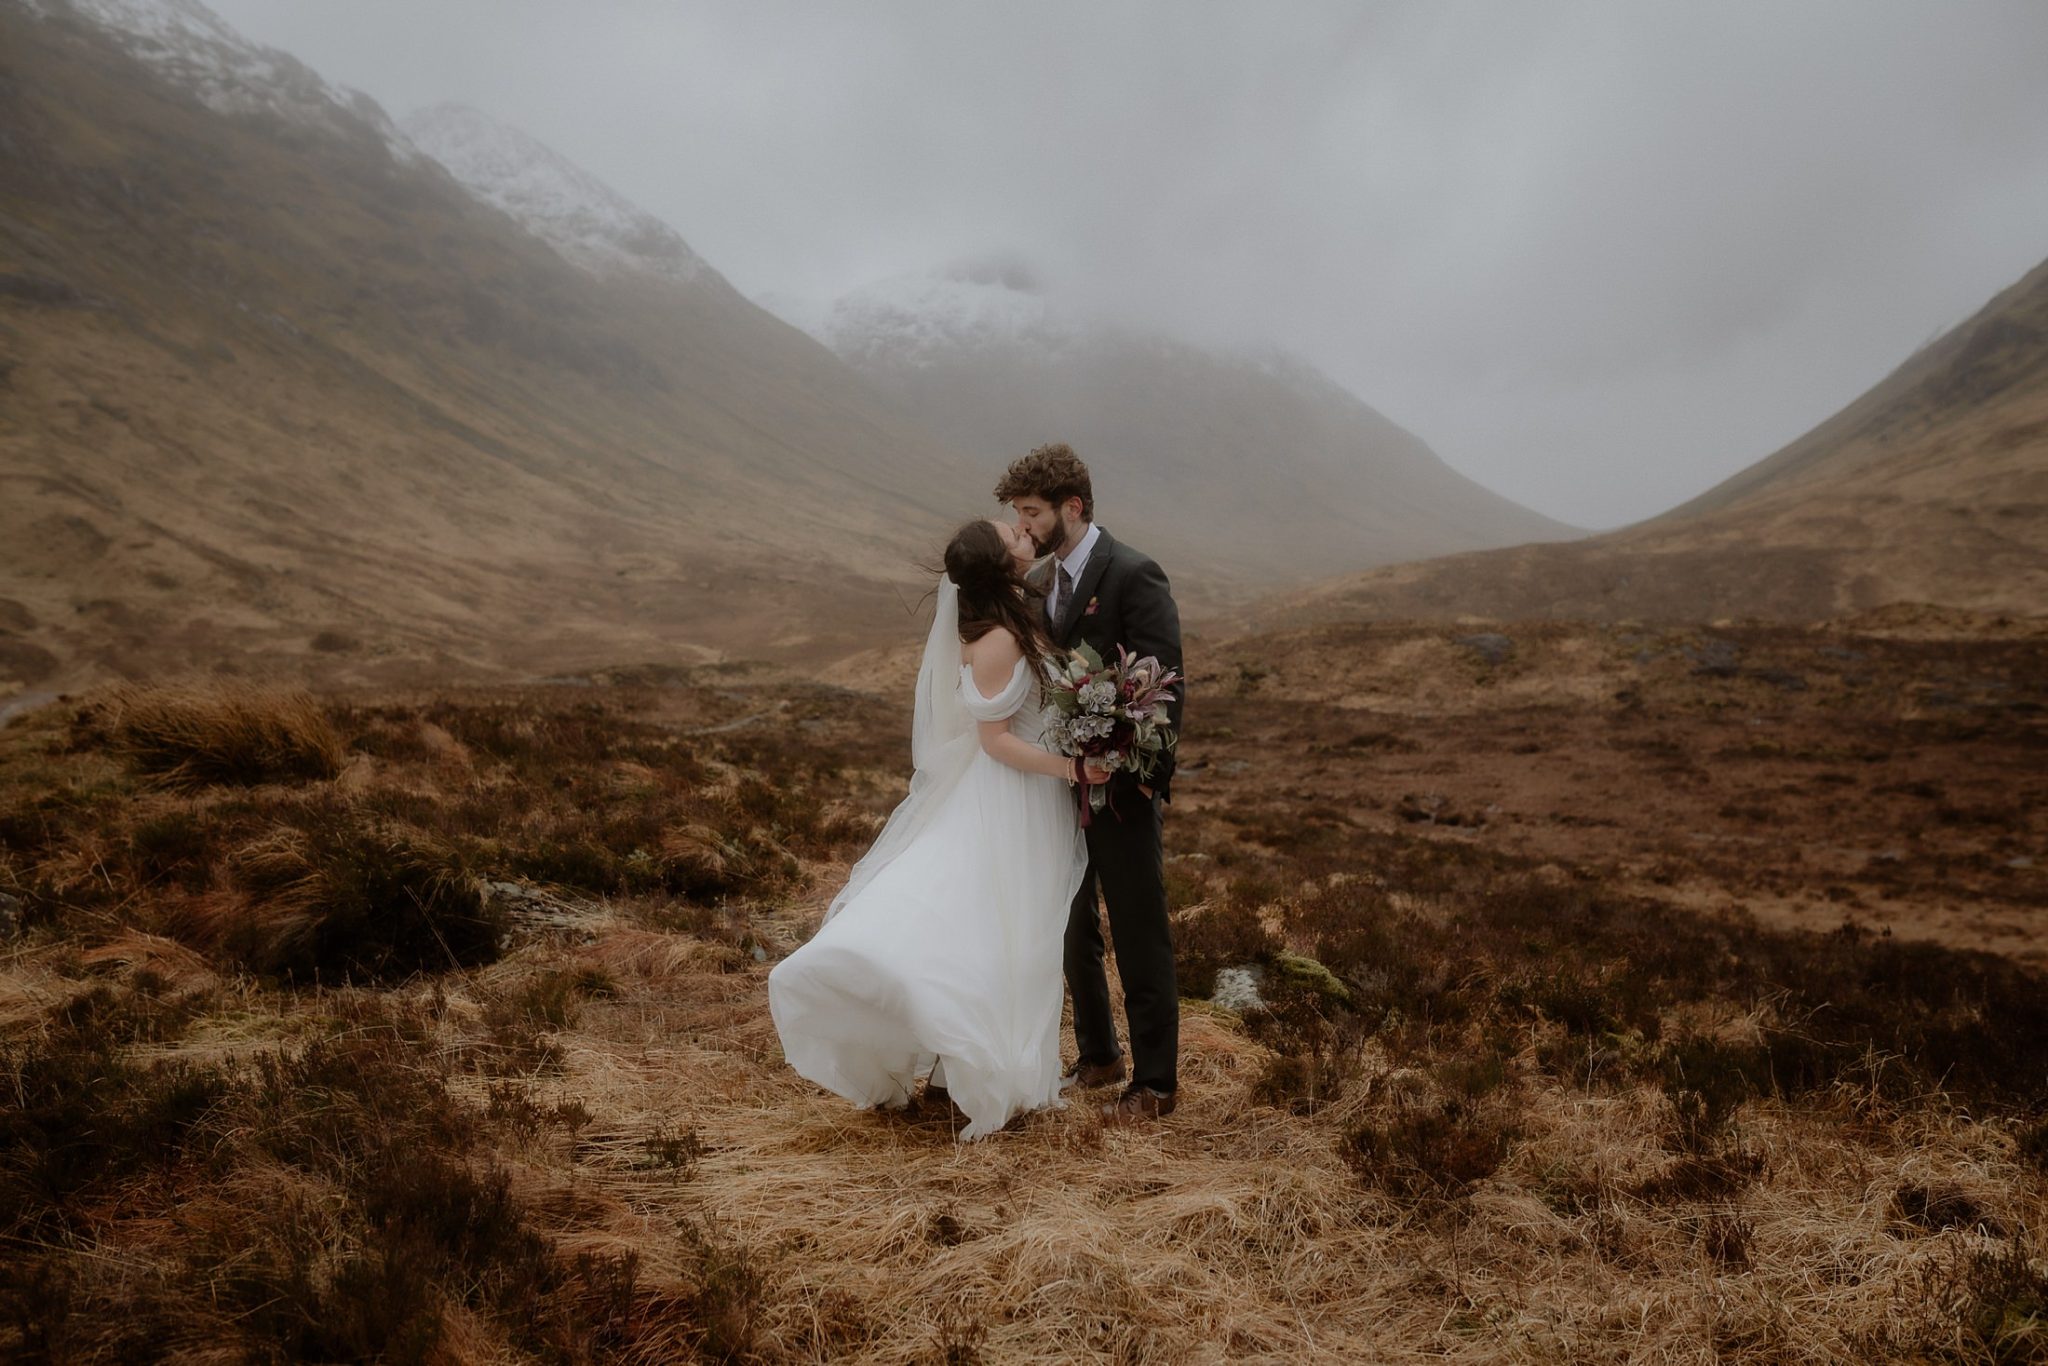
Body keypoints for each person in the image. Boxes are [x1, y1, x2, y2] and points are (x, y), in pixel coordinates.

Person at [767, 518, 1111, 1139]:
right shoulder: (1001, 639)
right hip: (1012, 796)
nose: (1021, 529)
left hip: (1020, 793)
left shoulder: (1003, 622)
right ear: (1002, 565)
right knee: (1009, 928)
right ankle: (980, 1058)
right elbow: (997, 741)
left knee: (1009, 927)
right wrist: (1075, 767)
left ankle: (976, 1065)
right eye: (1011, 530)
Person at [997, 443, 1186, 1123]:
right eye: (1018, 512)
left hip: (1123, 790)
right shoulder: (1039, 584)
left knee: (1138, 930)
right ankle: (1100, 1054)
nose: (1025, 525)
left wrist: (1141, 780)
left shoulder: (1136, 574)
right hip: (1060, 786)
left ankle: (1156, 1085)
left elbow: (1165, 688)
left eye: (1033, 512)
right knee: (1070, 926)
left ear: (1071, 508)